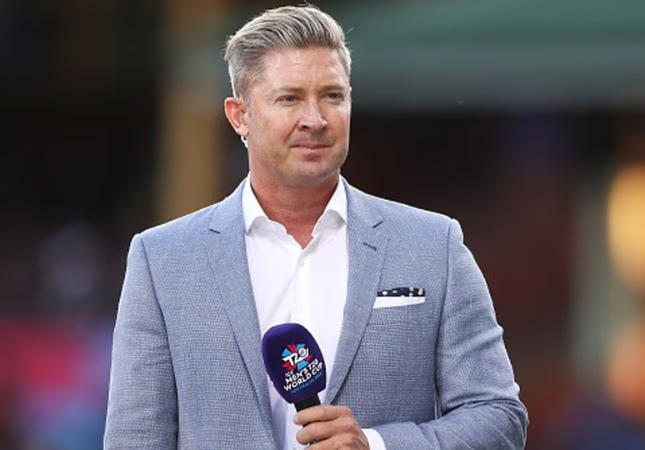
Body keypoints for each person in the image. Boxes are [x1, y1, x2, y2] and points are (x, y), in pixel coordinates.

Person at [103, 4, 527, 449]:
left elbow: (499, 418)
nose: (316, 119)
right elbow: (135, 439)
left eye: (332, 96)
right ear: (239, 115)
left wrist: (375, 444)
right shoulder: (163, 260)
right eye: (290, 98)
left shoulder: (432, 246)